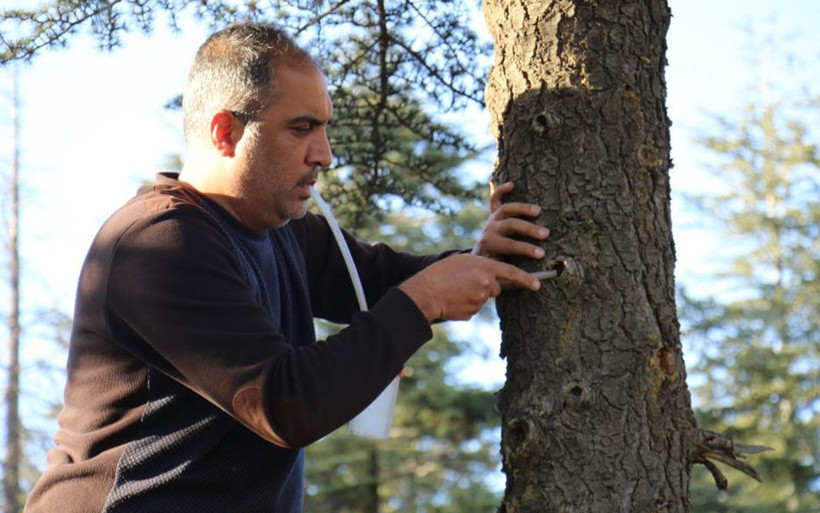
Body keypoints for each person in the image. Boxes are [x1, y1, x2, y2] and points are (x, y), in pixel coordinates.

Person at [24, 22, 550, 513]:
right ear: (225, 131)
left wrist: (483, 259)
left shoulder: (286, 233)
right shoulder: (159, 243)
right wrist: (422, 303)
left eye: (324, 129)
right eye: (302, 129)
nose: (323, 154)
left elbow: (394, 280)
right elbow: (283, 402)